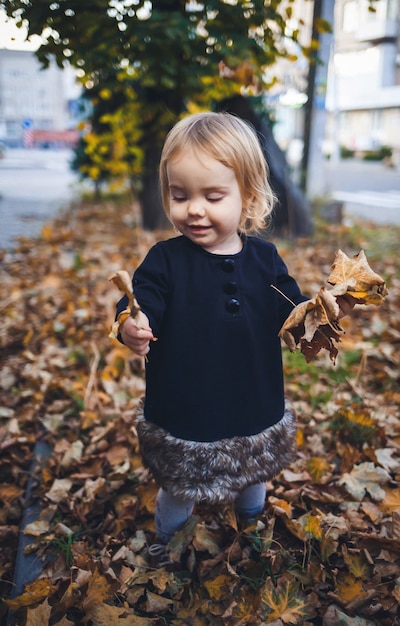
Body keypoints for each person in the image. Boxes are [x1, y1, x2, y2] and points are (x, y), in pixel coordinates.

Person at [115, 111, 350, 557]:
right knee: (180, 484)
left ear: (248, 196)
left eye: (213, 195)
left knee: (252, 473)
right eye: (179, 195)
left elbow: (293, 317)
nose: (194, 209)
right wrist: (131, 324)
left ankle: (250, 525)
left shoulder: (265, 260)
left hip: (253, 399)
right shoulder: (164, 260)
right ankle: (168, 542)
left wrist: (323, 312)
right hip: (186, 405)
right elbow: (139, 302)